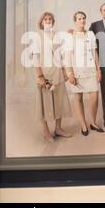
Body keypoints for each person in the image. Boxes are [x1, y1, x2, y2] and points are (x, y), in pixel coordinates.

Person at [32, 12, 72, 142]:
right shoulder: (37, 37)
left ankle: (58, 128)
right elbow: (35, 58)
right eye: (45, 19)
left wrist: (65, 71)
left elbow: (60, 55)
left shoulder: (56, 36)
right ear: (41, 22)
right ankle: (46, 131)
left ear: (53, 22)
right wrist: (40, 76)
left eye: (50, 19)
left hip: (57, 73)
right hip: (45, 74)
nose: (48, 21)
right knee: (44, 103)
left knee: (59, 102)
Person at [66, 11, 103, 136]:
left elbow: (95, 53)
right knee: (78, 98)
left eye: (83, 18)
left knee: (95, 97)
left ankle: (93, 122)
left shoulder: (91, 34)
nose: (82, 20)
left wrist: (99, 69)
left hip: (91, 69)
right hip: (77, 71)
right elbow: (68, 55)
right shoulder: (70, 36)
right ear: (75, 21)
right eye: (79, 18)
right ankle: (83, 124)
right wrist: (70, 73)